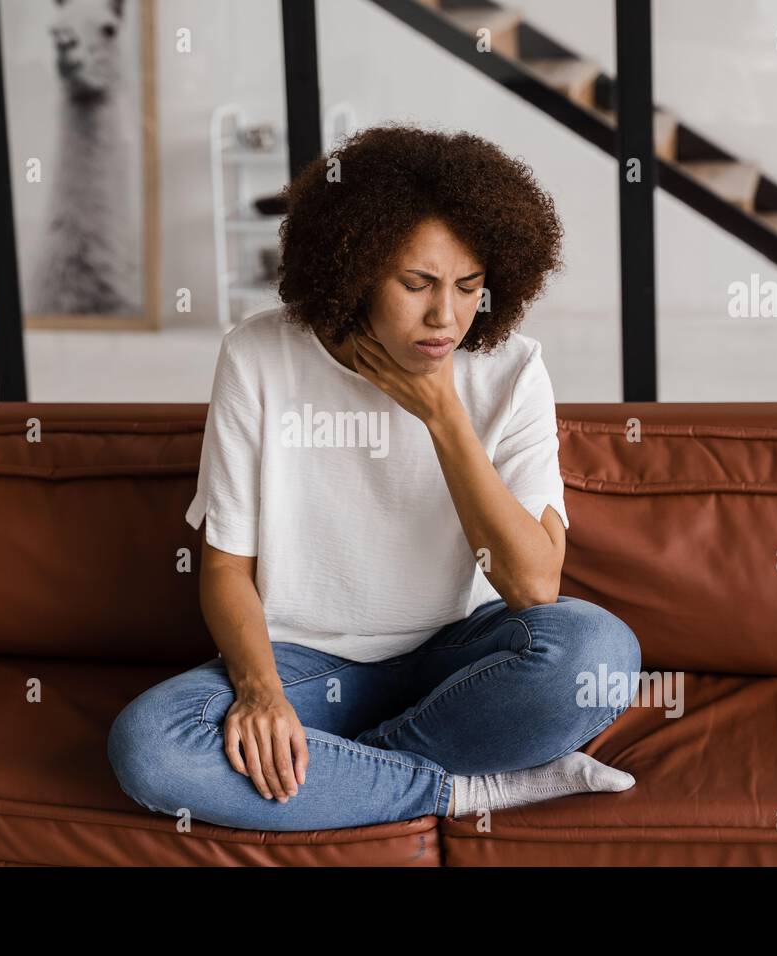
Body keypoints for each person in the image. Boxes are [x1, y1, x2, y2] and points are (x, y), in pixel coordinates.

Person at [108, 122, 641, 832]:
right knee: (150, 746)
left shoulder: (512, 370)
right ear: (355, 269)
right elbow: (226, 568)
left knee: (597, 654)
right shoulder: (260, 356)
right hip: (305, 665)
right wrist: (262, 693)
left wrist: (444, 416)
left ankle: (346, 775)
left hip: (462, 662)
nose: (445, 316)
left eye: (468, 287)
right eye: (416, 283)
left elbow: (534, 585)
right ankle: (470, 790)